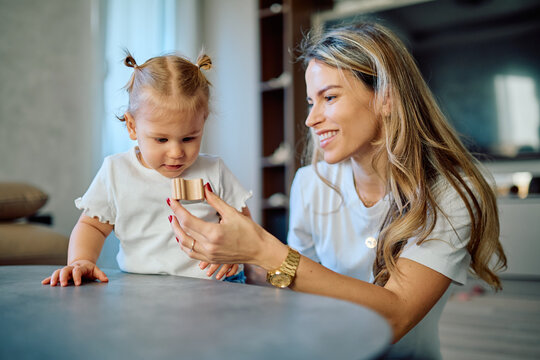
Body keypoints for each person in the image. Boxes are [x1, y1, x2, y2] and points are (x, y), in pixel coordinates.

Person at [167, 22, 507, 359]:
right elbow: (298, 290)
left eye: (329, 97)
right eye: (310, 102)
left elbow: (397, 314)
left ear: (386, 98)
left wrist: (264, 250)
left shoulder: (449, 194)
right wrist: (242, 261)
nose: (310, 120)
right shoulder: (310, 184)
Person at [42, 51, 251, 287]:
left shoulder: (214, 170)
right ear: (132, 126)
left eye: (189, 138)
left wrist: (235, 251)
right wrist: (81, 261)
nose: (176, 153)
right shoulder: (116, 171)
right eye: (161, 140)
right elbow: (92, 226)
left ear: (203, 122)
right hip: (141, 289)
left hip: (217, 286)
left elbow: (244, 224)